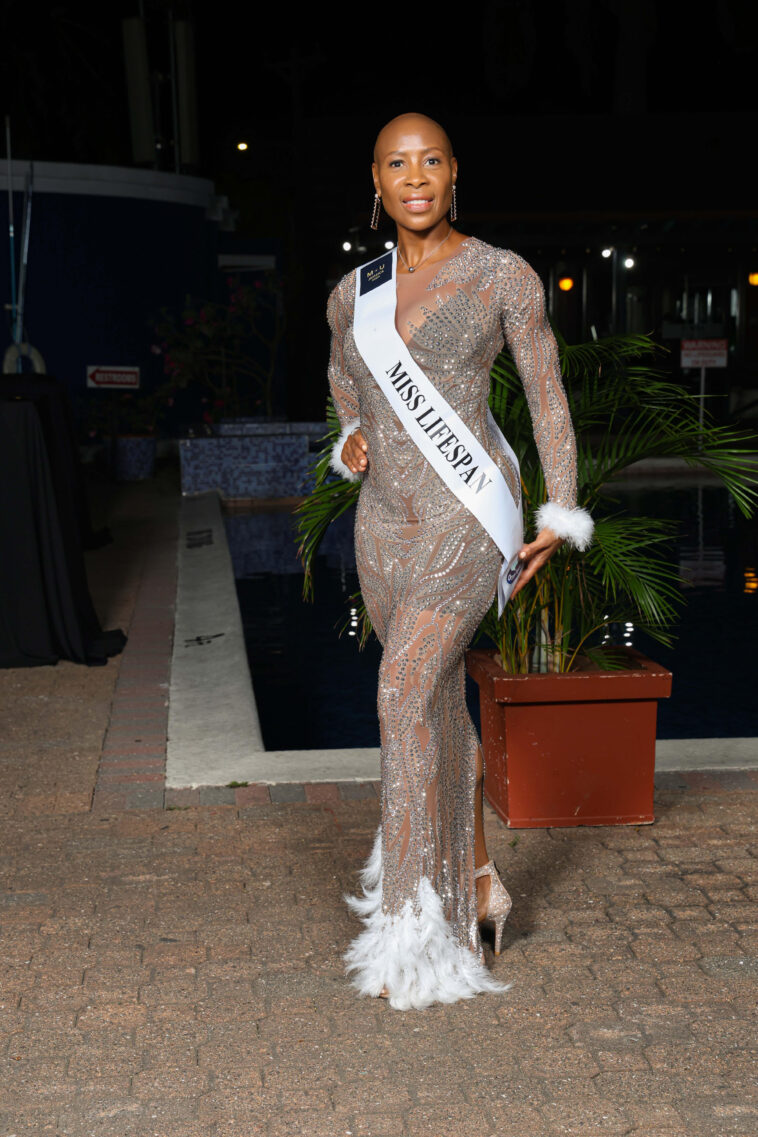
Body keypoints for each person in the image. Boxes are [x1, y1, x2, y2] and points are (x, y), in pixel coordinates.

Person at [326, 112, 593, 1011]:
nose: (415, 177)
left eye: (431, 160)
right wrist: (352, 435)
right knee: (436, 701)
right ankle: (479, 881)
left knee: (401, 693)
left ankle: (410, 931)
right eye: (397, 164)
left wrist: (560, 508)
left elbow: (546, 391)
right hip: (381, 527)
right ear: (376, 180)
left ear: (453, 174)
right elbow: (344, 381)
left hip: (463, 519)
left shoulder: (500, 274)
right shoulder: (352, 294)